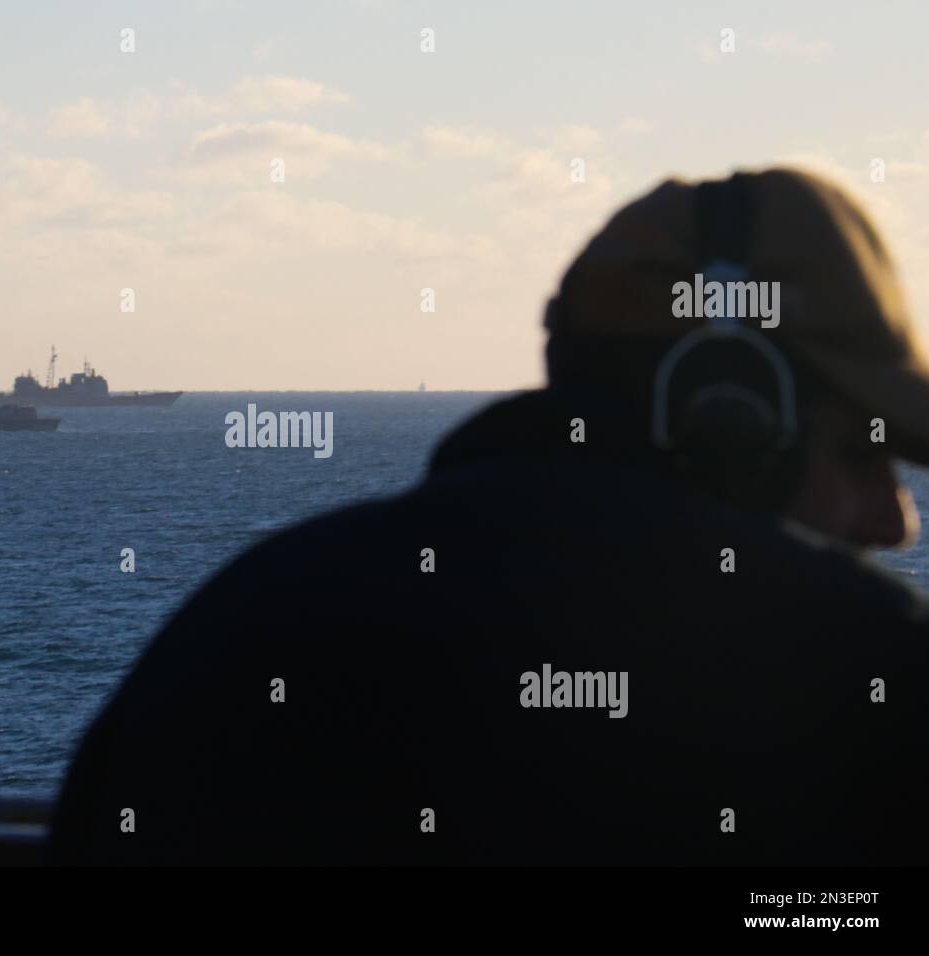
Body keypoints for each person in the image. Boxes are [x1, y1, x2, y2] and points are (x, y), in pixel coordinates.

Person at [50, 168, 929, 864]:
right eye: (861, 452)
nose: (896, 522)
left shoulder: (226, 641)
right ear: (729, 415)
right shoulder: (870, 675)